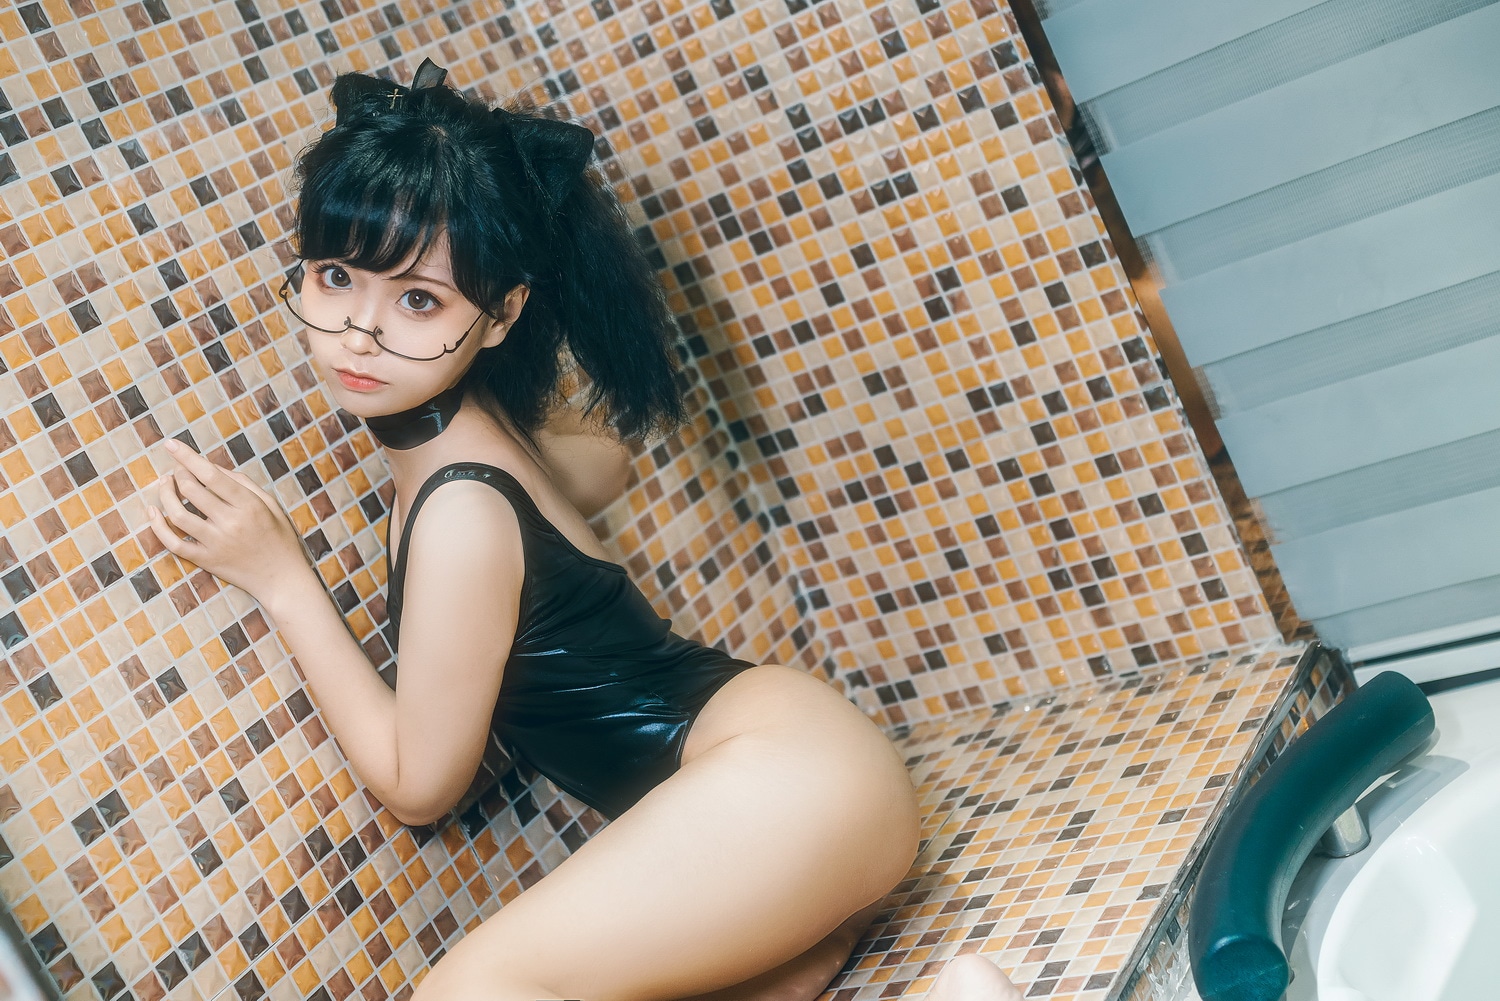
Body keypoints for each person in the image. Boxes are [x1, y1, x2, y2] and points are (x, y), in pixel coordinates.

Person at [146, 59, 1023, 1001]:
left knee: (465, 993)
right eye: (335, 277)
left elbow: (418, 781)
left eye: (418, 299)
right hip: (802, 770)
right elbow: (609, 460)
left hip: (785, 785)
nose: (360, 332)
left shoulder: (461, 508)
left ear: (501, 314)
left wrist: (281, 576)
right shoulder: (505, 442)